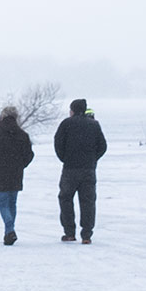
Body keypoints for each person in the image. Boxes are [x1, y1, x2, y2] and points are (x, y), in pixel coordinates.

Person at [53, 99, 107, 244]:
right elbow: (102, 146)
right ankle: (87, 235)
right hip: (88, 169)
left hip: (70, 169)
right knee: (88, 202)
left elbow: (58, 143)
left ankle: (69, 232)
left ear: (72, 110)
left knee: (65, 199)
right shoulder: (94, 125)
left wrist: (64, 158)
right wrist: (92, 159)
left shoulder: (66, 124)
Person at [0, 106, 35, 245]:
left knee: (3, 204)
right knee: (12, 203)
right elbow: (29, 155)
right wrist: (21, 165)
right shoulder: (22, 135)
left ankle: (9, 230)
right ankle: (9, 231)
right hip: (15, 173)